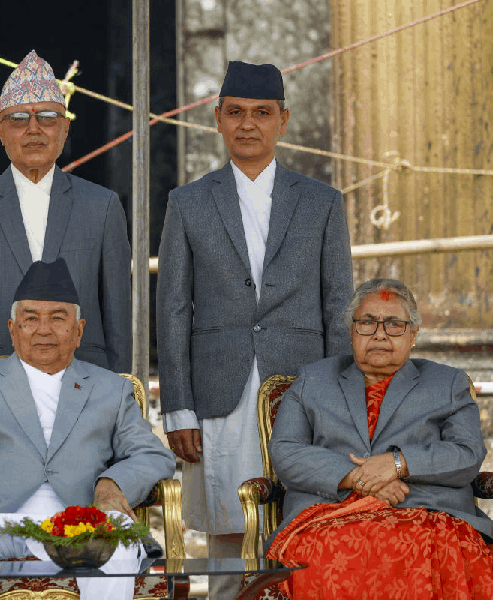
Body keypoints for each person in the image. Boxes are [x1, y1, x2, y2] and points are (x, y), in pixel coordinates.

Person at [155, 60, 353, 597]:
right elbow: (172, 309)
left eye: (262, 113)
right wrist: (178, 407)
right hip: (219, 390)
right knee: (227, 530)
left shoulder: (322, 202)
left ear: (283, 121)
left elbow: (339, 306)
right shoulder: (188, 203)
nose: (248, 124)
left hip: (303, 389)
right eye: (236, 112)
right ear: (217, 118)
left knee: (305, 523)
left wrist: (340, 403)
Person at [0, 258, 175, 600]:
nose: (43, 330)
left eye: (58, 318)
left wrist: (111, 484)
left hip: (82, 525)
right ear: (12, 329)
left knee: (116, 539)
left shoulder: (110, 389)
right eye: (30, 319)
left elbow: (152, 454)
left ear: (79, 330)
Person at [266, 278, 493, 598]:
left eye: (394, 324)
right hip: (329, 514)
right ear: (351, 331)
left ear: (414, 334)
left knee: (419, 546)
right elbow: (286, 450)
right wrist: (357, 476)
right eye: (367, 322)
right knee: (338, 550)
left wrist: (397, 463)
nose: (380, 334)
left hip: (425, 512)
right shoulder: (313, 380)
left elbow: (467, 453)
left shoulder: (447, 383)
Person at [0, 49, 131, 373]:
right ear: (0, 132)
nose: (34, 129)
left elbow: (118, 326)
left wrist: (117, 396)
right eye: (18, 119)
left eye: (47, 117)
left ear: (65, 128)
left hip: (83, 387)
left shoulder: (102, 207)